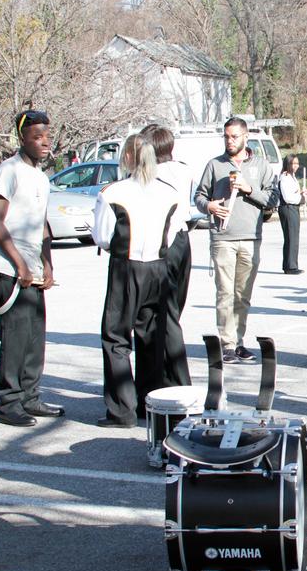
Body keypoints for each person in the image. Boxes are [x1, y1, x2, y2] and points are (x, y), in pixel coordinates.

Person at [0, 110, 63, 427]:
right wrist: (18, 264)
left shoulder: (41, 176)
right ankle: (9, 403)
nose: (44, 141)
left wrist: (47, 263)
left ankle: (31, 398)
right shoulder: (9, 171)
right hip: (8, 268)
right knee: (15, 339)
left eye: (46, 135)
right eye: (37, 136)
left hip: (31, 269)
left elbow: (41, 224)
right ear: (22, 139)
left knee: (34, 338)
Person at [93, 135, 179, 428]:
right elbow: (174, 231)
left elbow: (102, 236)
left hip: (125, 267)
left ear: (127, 157)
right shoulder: (169, 192)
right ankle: (148, 402)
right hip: (158, 267)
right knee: (151, 338)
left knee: (116, 337)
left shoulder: (113, 192)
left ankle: (121, 409)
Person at [194, 117, 277, 365]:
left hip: (251, 237)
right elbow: (199, 196)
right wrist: (208, 205)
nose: (230, 141)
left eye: (234, 136)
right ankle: (226, 344)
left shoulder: (260, 165)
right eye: (226, 136)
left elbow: (273, 200)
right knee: (225, 293)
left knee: (242, 295)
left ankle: (239, 342)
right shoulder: (215, 165)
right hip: (223, 238)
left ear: (245, 137)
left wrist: (248, 188)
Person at [141, 125, 191, 387]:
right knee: (171, 312)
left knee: (162, 315)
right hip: (182, 241)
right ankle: (167, 378)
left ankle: (173, 381)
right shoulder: (182, 169)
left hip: (164, 243)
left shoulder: (153, 175)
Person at [278, 154, 306, 275]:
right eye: (293, 163)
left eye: (297, 163)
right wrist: (301, 198)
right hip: (288, 208)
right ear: (288, 164)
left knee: (293, 236)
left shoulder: (291, 176)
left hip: (293, 208)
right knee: (291, 237)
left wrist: (299, 193)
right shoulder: (284, 177)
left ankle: (291, 264)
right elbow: (288, 197)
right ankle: (290, 266)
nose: (296, 166)